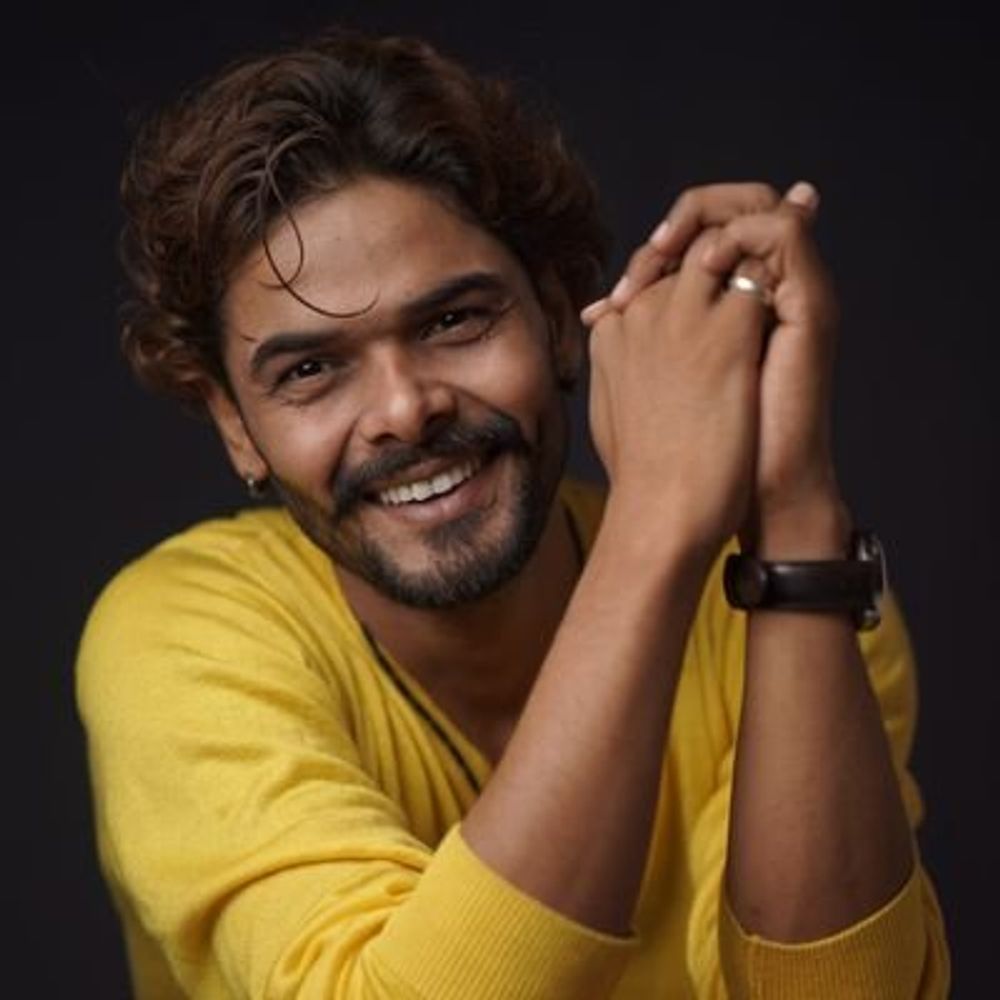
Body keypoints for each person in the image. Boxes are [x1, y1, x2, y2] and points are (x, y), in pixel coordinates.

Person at [76, 25, 950, 999]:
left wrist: (791, 510)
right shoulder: (177, 639)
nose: (405, 408)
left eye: (454, 320)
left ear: (559, 317)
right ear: (236, 426)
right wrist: (657, 518)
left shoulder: (792, 597)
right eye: (312, 369)